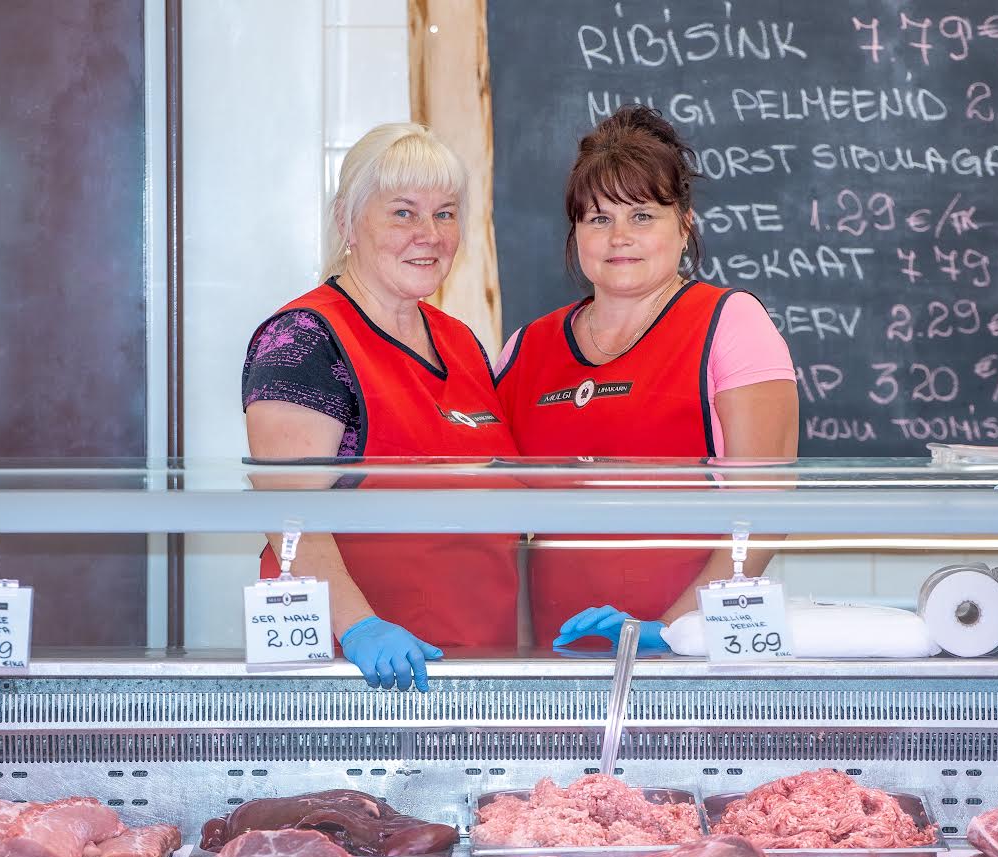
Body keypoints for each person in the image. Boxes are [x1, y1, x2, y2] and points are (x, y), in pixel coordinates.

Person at [495, 105, 799, 652]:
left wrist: (668, 635)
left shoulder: (730, 324)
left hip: (693, 653)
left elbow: (767, 515)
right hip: (558, 665)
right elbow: (502, 530)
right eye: (598, 218)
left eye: (642, 216)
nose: (619, 238)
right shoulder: (524, 350)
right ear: (576, 233)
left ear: (683, 225)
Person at [243, 123, 518, 691]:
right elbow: (288, 518)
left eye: (445, 213)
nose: (430, 234)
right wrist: (360, 626)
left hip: (478, 668)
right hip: (356, 674)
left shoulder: (462, 343)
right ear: (346, 220)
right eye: (403, 212)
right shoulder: (304, 338)